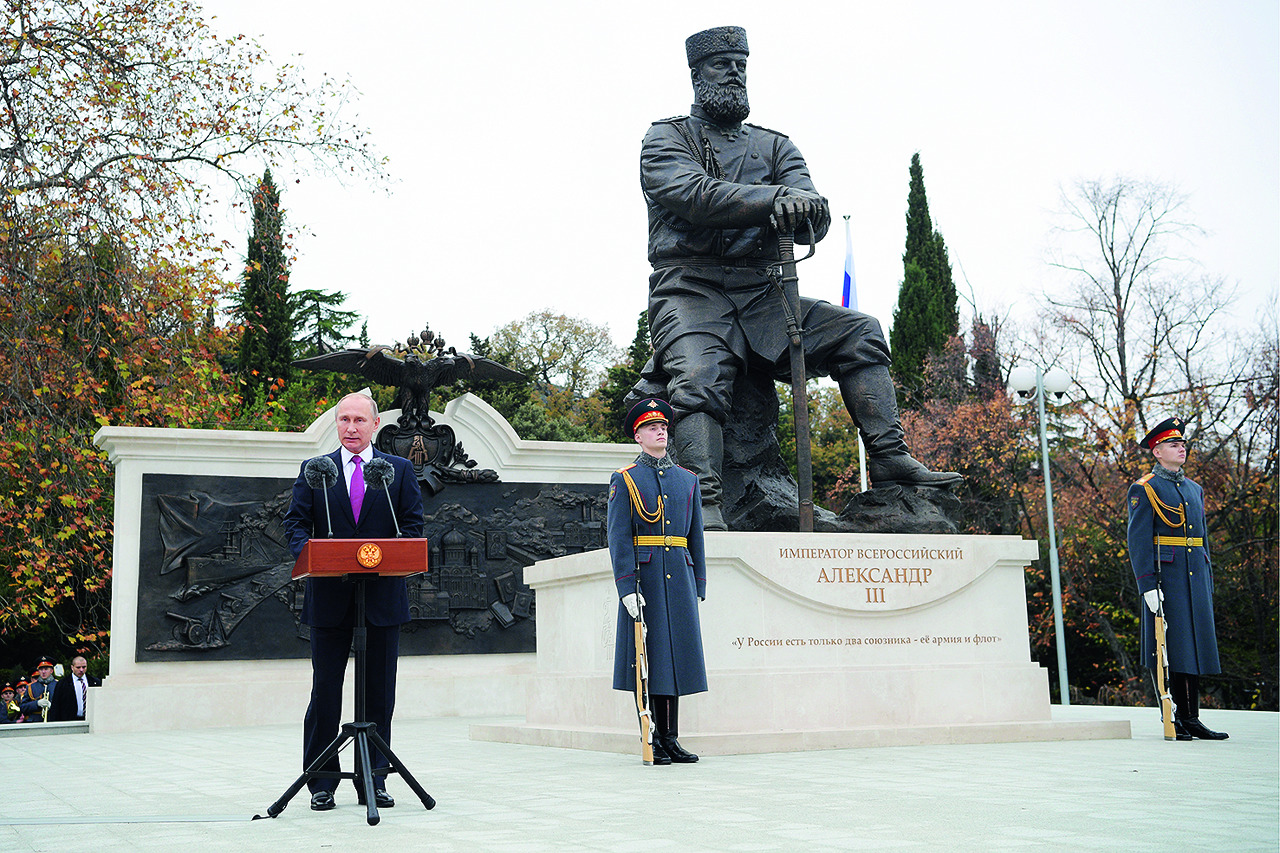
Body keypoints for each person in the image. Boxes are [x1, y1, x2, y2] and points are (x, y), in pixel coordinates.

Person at [640, 26, 961, 529]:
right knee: (699, 378)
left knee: (861, 331)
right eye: (722, 63)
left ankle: (888, 458)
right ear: (696, 74)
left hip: (765, 294)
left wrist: (807, 213)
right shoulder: (666, 138)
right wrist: (772, 200)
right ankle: (702, 499)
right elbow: (693, 195)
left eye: (741, 64)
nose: (734, 72)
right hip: (692, 290)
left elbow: (813, 207)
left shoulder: (775, 146)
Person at [283, 392, 425, 810]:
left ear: (375, 424)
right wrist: (309, 555)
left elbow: (412, 526)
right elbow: (294, 523)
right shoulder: (316, 470)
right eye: (343, 419)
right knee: (325, 692)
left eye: (359, 420)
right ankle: (321, 782)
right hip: (329, 599)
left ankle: (374, 780)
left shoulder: (397, 471)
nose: (351, 427)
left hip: (381, 600)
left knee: (380, 694)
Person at [609, 398, 707, 765]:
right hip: (645, 578)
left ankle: (671, 737)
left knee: (674, 659)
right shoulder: (626, 479)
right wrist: (626, 587)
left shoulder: (687, 480)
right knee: (647, 660)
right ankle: (651, 737)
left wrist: (697, 582)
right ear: (638, 436)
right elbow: (618, 538)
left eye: (663, 426)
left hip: (678, 576)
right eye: (652, 427)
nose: (660, 431)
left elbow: (695, 535)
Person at [1127, 417, 1227, 740]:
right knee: (1168, 647)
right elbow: (1138, 540)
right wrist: (1146, 584)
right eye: (1173, 444)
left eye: (1182, 444)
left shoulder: (1194, 489)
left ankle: (1192, 717)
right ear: (1157, 452)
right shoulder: (1145, 489)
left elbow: (1202, 539)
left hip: (1194, 577)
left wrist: (1206, 577)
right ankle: (1172, 716)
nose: (1181, 448)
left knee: (1192, 647)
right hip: (1167, 579)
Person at [49, 655, 101, 722]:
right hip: (69, 721)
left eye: (84, 667)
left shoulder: (94, 682)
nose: (81, 670)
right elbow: (56, 705)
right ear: (72, 667)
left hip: (90, 720)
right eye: (78, 667)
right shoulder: (63, 683)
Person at [20, 658, 58, 722]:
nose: (43, 672)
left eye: (46, 669)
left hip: (53, 721)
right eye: (41, 669)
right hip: (35, 722)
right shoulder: (30, 687)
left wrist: (53, 706)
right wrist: (37, 703)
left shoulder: (58, 685)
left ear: (51, 671)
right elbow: (23, 707)